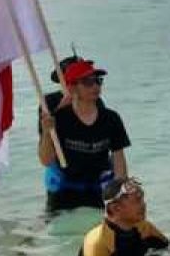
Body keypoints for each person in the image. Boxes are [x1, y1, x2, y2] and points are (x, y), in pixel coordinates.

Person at [38, 59, 130, 212]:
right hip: (65, 192)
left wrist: (120, 191)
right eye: (87, 82)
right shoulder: (59, 119)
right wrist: (47, 133)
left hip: (99, 190)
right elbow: (46, 160)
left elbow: (119, 158)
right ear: (72, 88)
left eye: (98, 81)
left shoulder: (111, 118)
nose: (95, 86)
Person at [73, 177, 168, 256]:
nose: (144, 204)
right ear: (115, 209)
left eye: (142, 199)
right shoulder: (98, 243)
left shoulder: (144, 227)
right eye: (137, 200)